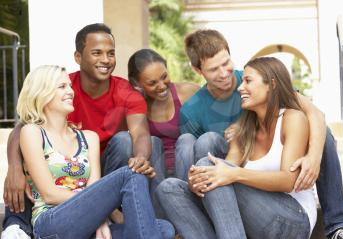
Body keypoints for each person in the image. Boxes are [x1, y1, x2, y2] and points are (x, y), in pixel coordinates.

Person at [174, 29, 343, 239]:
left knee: (323, 133)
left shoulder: (257, 79)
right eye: (214, 69)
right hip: (230, 160)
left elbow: (316, 114)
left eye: (226, 63)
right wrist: (198, 182)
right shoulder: (192, 111)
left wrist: (313, 157)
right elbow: (219, 161)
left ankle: (338, 222)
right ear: (197, 70)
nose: (224, 74)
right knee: (202, 147)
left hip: (263, 184)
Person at [1, 23, 167, 238]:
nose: (106, 60)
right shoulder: (59, 94)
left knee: (164, 227)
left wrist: (141, 158)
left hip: (97, 176)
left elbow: (141, 132)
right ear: (78, 57)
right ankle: (16, 227)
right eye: (97, 53)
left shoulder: (111, 107)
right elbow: (25, 127)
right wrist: (14, 167)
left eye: (111, 53)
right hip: (59, 210)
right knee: (129, 176)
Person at [157, 56, 317, 239]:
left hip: (293, 221)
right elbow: (226, 170)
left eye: (248, 81)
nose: (240, 87)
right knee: (169, 188)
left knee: (213, 168)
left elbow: (288, 181)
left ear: (271, 84)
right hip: (254, 224)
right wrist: (198, 185)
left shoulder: (292, 118)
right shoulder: (244, 129)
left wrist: (234, 174)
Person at [18, 65, 174, 239]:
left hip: (88, 226)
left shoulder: (88, 138)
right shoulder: (32, 132)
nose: (70, 91)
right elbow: (49, 194)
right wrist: (99, 214)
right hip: (52, 222)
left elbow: (93, 189)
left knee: (163, 228)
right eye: (62, 87)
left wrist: (98, 216)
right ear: (42, 92)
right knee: (131, 174)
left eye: (69, 85)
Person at [127, 48, 200, 181]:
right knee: (153, 142)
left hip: (189, 169)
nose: (161, 86)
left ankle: (184, 190)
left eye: (164, 77)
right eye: (152, 83)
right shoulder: (136, 106)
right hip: (156, 173)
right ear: (137, 83)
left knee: (187, 139)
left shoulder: (188, 92)